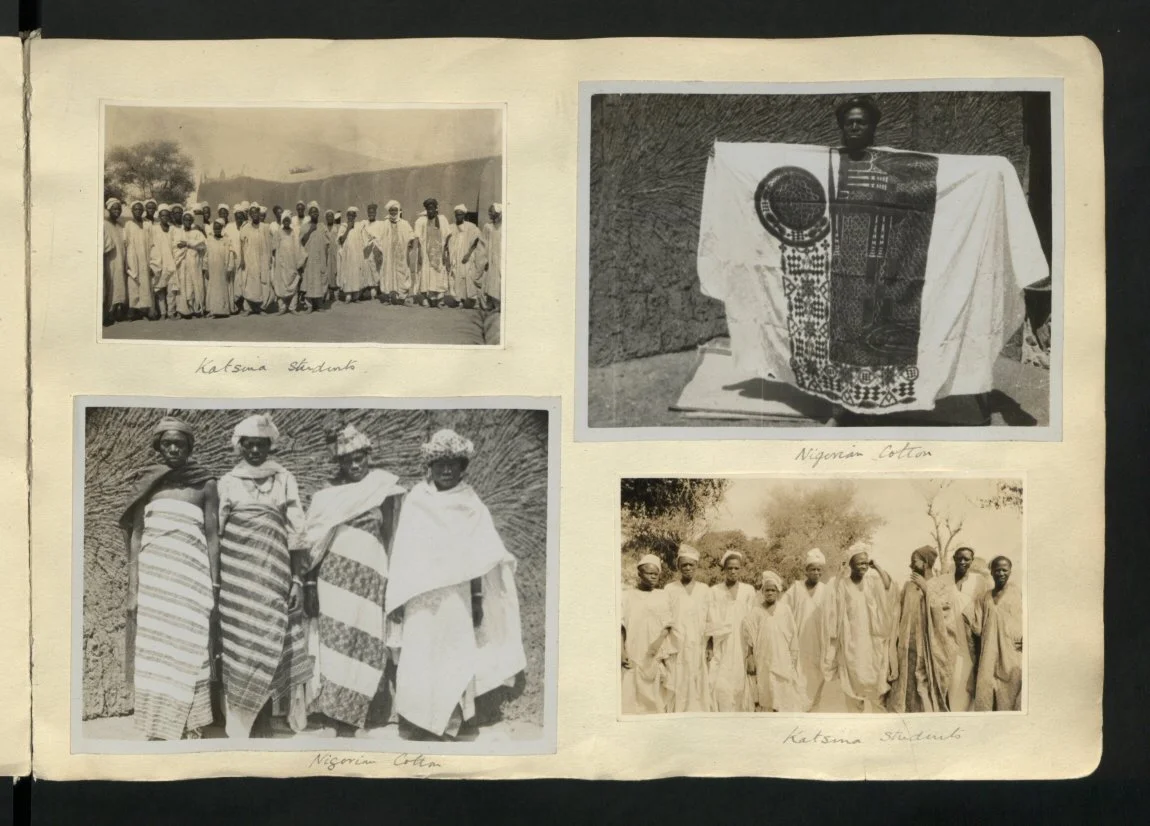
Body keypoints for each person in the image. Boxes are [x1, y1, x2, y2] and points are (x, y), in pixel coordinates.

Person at [384, 429, 526, 740]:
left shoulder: (470, 503)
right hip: (419, 595)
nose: (446, 470)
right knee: (420, 653)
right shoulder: (416, 501)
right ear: (430, 466)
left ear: (462, 467)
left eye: (453, 463)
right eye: (440, 463)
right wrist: (397, 599)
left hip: (455, 595)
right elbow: (403, 552)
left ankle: (450, 721)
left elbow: (482, 552)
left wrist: (476, 596)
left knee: (453, 653)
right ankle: (417, 722)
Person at [118, 416, 219, 740]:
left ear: (189, 447)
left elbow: (213, 537)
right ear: (159, 446)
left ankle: (192, 724)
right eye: (167, 443)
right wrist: (133, 590)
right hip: (156, 584)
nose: (174, 448)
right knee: (158, 652)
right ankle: (157, 726)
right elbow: (136, 538)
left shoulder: (205, 484)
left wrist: (214, 586)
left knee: (189, 648)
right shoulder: (147, 483)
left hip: (191, 582)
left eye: (180, 443)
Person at [302, 423, 406, 736]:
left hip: (371, 579)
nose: (356, 464)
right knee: (336, 642)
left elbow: (390, 539)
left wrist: (394, 584)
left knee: (367, 642)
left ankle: (358, 711)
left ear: (368, 456)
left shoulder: (384, 490)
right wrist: (309, 584)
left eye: (360, 457)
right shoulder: (327, 496)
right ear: (340, 463)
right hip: (334, 579)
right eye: (349, 460)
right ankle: (335, 714)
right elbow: (313, 543)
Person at [217, 414, 311, 738]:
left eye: (261, 444)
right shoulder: (227, 482)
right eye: (249, 444)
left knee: (270, 641)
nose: (255, 450)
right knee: (241, 645)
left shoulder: (284, 479)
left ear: (270, 446)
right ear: (239, 446)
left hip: (274, 575)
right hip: (237, 580)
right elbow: (218, 531)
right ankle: (242, 727)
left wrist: (297, 581)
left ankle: (265, 722)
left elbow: (297, 534)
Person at [885, 546, 959, 713]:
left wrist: (926, 589)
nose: (910, 565)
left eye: (914, 561)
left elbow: (945, 615)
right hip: (907, 646)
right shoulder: (908, 586)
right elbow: (899, 612)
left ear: (925, 563)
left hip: (928, 647)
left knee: (923, 686)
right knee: (906, 684)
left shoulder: (940, 585)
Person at [822, 545, 894, 712]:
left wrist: (877, 567)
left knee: (876, 683)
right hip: (851, 642)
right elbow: (832, 605)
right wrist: (839, 576)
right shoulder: (842, 584)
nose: (864, 566)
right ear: (851, 565)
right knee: (853, 687)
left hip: (872, 641)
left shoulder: (872, 582)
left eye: (866, 563)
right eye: (860, 563)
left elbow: (889, 587)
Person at [620, 554, 676, 714]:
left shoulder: (663, 595)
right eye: (649, 573)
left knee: (655, 697)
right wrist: (622, 651)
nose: (653, 576)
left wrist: (657, 644)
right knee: (632, 696)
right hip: (634, 649)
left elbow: (668, 624)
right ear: (639, 574)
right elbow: (621, 626)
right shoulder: (627, 596)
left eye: (656, 574)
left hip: (655, 651)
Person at [779, 547, 833, 711]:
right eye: (812, 569)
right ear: (806, 571)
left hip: (819, 643)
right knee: (798, 678)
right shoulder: (795, 589)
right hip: (799, 642)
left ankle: (812, 712)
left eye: (819, 570)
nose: (816, 573)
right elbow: (783, 611)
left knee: (816, 679)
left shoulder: (826, 590)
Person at [741, 571, 802, 712]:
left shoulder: (785, 610)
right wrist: (750, 657)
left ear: (778, 592)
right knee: (766, 691)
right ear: (762, 591)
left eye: (773, 590)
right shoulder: (756, 612)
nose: (769, 593)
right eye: (767, 590)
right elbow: (750, 637)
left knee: (782, 692)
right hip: (763, 658)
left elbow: (793, 636)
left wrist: (793, 658)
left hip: (782, 658)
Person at [969, 556, 1023, 711]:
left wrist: (1030, 639)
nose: (1001, 573)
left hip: (1011, 655)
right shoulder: (984, 597)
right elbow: (976, 628)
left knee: (1011, 694)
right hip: (989, 655)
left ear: (1010, 571)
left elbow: (1032, 621)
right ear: (991, 572)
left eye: (1004, 570)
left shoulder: (1017, 594)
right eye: (997, 569)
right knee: (986, 695)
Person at [705, 550, 756, 712]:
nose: (733, 571)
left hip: (742, 643)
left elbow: (753, 623)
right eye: (729, 568)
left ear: (741, 569)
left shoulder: (748, 591)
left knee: (740, 682)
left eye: (736, 568)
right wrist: (710, 645)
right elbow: (710, 620)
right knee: (720, 682)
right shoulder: (714, 591)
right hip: (722, 643)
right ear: (724, 569)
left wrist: (751, 653)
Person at [664, 544, 711, 712]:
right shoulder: (669, 589)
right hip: (677, 645)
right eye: (684, 564)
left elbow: (710, 620)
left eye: (691, 564)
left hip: (698, 644)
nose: (688, 568)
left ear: (697, 566)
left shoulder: (705, 590)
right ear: (678, 566)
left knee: (697, 680)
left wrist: (710, 645)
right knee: (678, 680)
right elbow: (665, 619)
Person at [945, 547, 990, 711]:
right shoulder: (945, 581)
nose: (963, 562)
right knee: (951, 691)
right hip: (949, 645)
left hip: (970, 646)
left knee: (966, 695)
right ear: (954, 558)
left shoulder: (978, 582)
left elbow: (984, 612)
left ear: (972, 560)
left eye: (967, 559)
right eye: (959, 558)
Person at [367, 200, 413, 305]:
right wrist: (379, 250)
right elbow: (376, 237)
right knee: (387, 274)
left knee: (402, 274)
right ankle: (388, 298)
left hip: (400, 255)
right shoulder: (384, 224)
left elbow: (411, 236)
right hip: (388, 255)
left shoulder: (404, 223)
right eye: (391, 210)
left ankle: (402, 298)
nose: (393, 212)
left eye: (395, 210)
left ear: (398, 210)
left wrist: (408, 247)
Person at [411, 198, 450, 307]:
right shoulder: (421, 221)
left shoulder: (442, 220)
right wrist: (419, 254)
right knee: (425, 275)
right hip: (426, 253)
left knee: (439, 274)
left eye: (432, 209)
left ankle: (439, 299)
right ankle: (426, 298)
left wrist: (444, 253)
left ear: (436, 209)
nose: (430, 211)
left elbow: (447, 236)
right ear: (426, 210)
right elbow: (418, 238)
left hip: (439, 252)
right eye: (428, 209)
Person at [123, 200, 156, 320]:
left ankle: (146, 310)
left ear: (143, 211)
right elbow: (125, 244)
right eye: (136, 209)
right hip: (133, 259)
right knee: (133, 283)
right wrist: (127, 262)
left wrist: (152, 262)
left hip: (146, 258)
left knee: (146, 284)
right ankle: (132, 310)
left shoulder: (148, 224)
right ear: (132, 211)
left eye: (140, 209)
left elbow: (152, 244)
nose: (138, 211)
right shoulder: (128, 225)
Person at [445, 204, 482, 308]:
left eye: (460, 214)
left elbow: (477, 240)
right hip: (454, 257)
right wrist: (447, 258)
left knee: (468, 277)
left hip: (467, 257)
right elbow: (446, 243)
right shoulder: (451, 227)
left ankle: (473, 300)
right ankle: (458, 300)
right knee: (455, 277)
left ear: (464, 215)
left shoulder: (471, 226)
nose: (458, 217)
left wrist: (468, 254)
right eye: (457, 215)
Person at [238, 202, 273, 313]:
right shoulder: (246, 227)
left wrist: (269, 258)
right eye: (252, 213)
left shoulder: (265, 227)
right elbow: (242, 244)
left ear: (259, 213)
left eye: (256, 212)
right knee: (249, 282)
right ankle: (248, 308)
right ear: (249, 214)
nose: (254, 215)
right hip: (250, 259)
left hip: (262, 258)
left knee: (263, 281)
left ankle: (261, 307)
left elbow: (269, 244)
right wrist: (242, 259)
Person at [172, 211, 207, 318]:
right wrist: (183, 247)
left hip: (194, 262)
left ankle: (197, 308)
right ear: (182, 220)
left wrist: (187, 244)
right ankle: (185, 309)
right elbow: (174, 246)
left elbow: (203, 245)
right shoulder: (177, 232)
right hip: (182, 263)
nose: (187, 221)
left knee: (196, 284)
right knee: (184, 286)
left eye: (189, 220)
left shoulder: (197, 233)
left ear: (192, 221)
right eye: (185, 219)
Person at [271, 213, 306, 313]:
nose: (286, 221)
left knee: (293, 284)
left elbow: (298, 247)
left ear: (290, 221)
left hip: (292, 264)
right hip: (281, 264)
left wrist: (298, 261)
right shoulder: (278, 233)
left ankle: (292, 307)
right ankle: (282, 307)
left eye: (288, 220)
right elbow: (274, 248)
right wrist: (277, 261)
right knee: (280, 285)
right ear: (282, 221)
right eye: (284, 220)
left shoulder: (294, 233)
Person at [148, 205, 178, 320]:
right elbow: (151, 245)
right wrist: (152, 262)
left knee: (171, 289)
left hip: (171, 262)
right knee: (160, 289)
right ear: (159, 216)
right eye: (162, 215)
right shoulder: (154, 228)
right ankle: (162, 313)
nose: (165, 217)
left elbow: (176, 244)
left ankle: (171, 312)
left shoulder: (173, 229)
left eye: (167, 215)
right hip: (158, 262)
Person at [298, 201, 328, 311]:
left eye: (316, 212)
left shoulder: (322, 227)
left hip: (320, 259)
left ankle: (319, 305)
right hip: (309, 259)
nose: (314, 214)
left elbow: (327, 244)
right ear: (309, 214)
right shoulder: (305, 227)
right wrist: (310, 230)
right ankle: (309, 305)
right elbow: (301, 242)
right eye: (312, 212)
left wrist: (326, 258)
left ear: (319, 214)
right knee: (309, 280)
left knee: (319, 280)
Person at [203, 219, 236, 318]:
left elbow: (230, 255)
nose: (217, 229)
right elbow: (205, 256)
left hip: (223, 269)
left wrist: (229, 268)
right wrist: (205, 268)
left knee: (223, 289)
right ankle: (212, 310)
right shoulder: (209, 240)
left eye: (218, 228)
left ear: (222, 228)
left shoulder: (226, 240)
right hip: (212, 269)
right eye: (215, 228)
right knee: (212, 289)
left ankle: (223, 310)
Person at [103, 198, 127, 325]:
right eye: (114, 208)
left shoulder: (120, 226)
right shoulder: (104, 224)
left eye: (119, 209)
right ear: (109, 210)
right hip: (109, 260)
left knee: (119, 285)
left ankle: (117, 311)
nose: (117, 211)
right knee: (109, 284)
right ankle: (107, 313)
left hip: (120, 259)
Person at [338, 206, 370, 302]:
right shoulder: (343, 226)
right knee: (348, 273)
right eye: (349, 215)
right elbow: (341, 240)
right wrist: (348, 228)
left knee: (356, 273)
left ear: (355, 216)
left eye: (353, 215)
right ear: (347, 216)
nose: (351, 217)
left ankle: (356, 296)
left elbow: (364, 237)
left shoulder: (358, 226)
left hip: (356, 255)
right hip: (347, 255)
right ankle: (348, 295)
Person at [477, 203, 503, 310]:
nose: (489, 213)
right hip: (490, 258)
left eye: (491, 211)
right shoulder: (488, 227)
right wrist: (484, 259)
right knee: (489, 280)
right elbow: (483, 243)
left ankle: (499, 304)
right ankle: (491, 303)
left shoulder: (504, 227)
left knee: (499, 279)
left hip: (500, 259)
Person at [361, 202, 384, 301]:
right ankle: (370, 288)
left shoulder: (379, 224)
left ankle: (376, 289)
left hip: (376, 249)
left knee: (376, 269)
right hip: (366, 251)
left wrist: (376, 244)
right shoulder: (364, 224)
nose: (371, 214)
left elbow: (381, 236)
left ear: (375, 213)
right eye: (369, 212)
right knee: (367, 268)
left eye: (373, 212)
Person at [322, 210, 340, 302]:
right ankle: (327, 293)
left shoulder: (337, 227)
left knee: (335, 271)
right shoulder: (323, 228)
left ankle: (335, 293)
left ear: (333, 218)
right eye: (328, 216)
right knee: (326, 272)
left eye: (331, 216)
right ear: (326, 218)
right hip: (326, 253)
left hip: (335, 253)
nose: (330, 218)